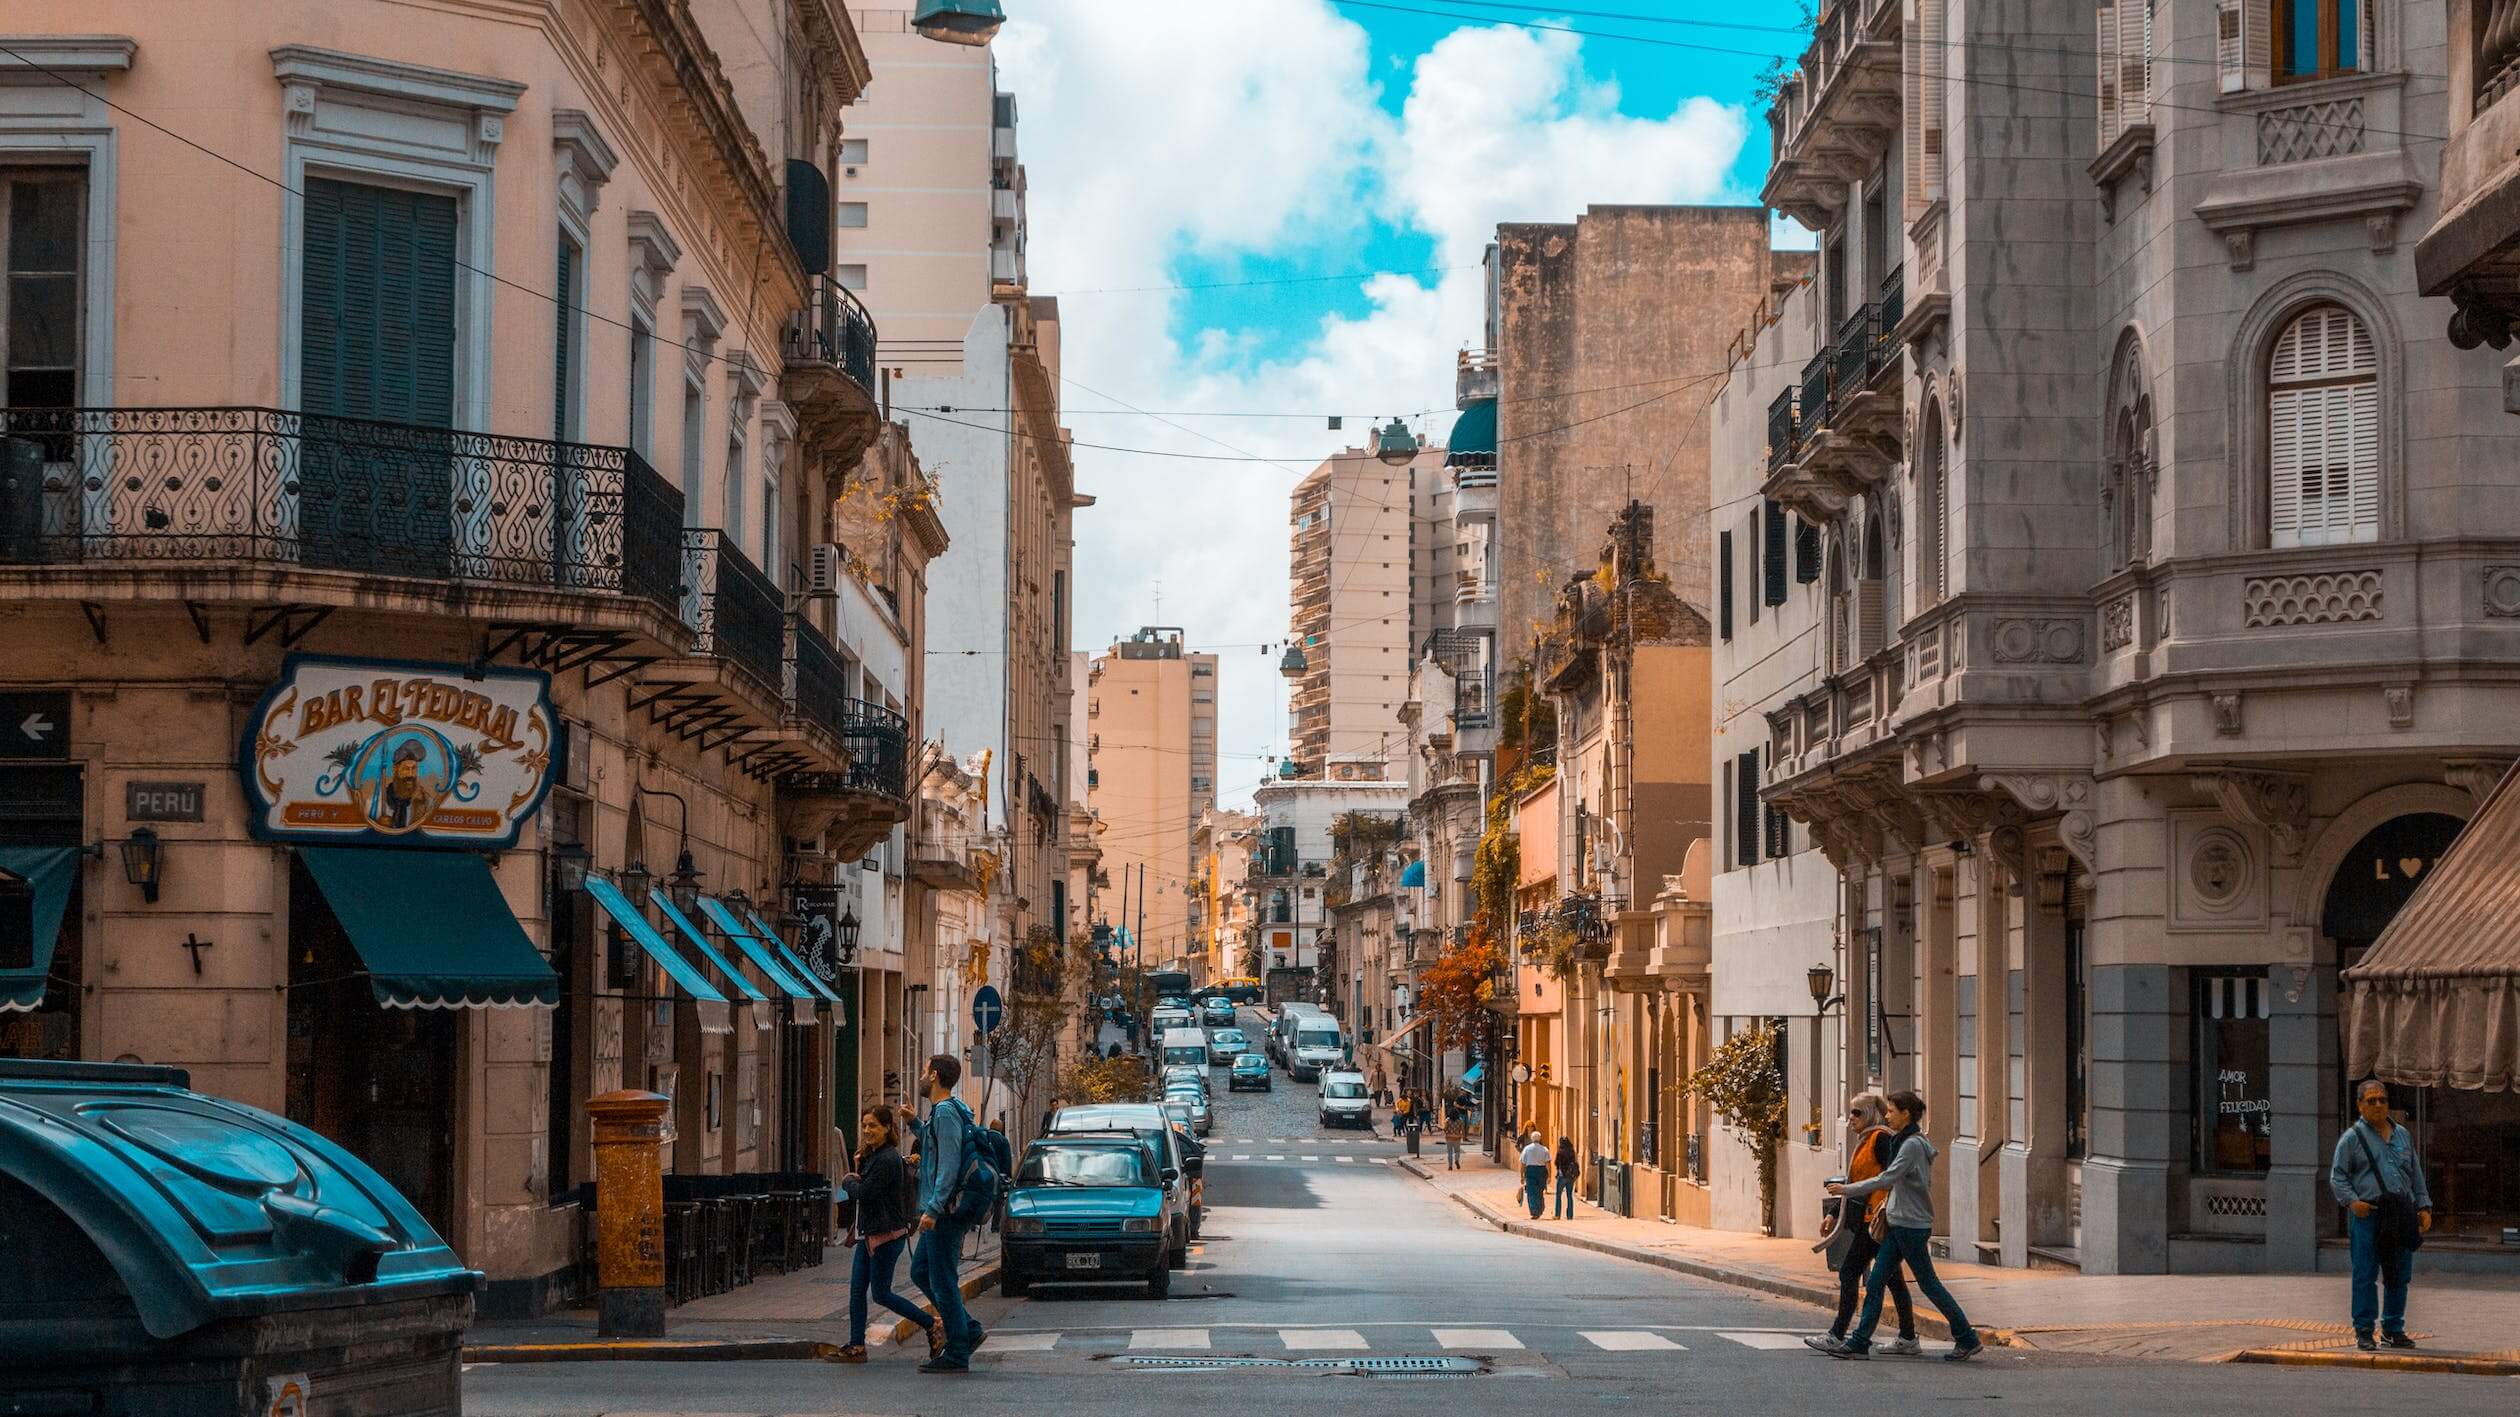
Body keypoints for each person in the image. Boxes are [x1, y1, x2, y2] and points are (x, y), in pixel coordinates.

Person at [1813, 1090, 1983, 1362]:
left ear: (1906, 1114)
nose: (1887, 1115)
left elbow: (1886, 1177)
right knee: (1878, 1281)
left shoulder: (1912, 1145)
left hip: (1911, 1226)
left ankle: (1966, 1337)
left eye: (1891, 1111)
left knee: (1928, 1284)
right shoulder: (1904, 1141)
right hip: (1899, 1224)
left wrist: (1846, 1190)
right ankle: (1861, 1341)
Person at [1807, 1094, 1919, 1356]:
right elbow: (1856, 1180)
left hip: (1877, 1221)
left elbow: (1889, 1178)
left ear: (1870, 1113)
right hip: (1871, 1220)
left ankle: (1838, 1334)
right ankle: (1908, 1336)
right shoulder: (1867, 1140)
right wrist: (1834, 1213)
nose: (1851, 1119)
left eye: (1856, 1113)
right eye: (1851, 1113)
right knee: (1893, 1279)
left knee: (1850, 1271)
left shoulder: (1881, 1139)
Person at [2330, 1077, 2433, 1351]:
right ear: (2359, 1105)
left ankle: (2393, 1328)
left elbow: (2415, 1173)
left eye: (2382, 1100)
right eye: (2371, 1100)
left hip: (2400, 1213)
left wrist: (2423, 1206)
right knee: (2365, 1272)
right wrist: (2353, 1202)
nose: (2378, 1105)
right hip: (2368, 1214)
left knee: (2399, 1272)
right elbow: (2338, 1176)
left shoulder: (2402, 1135)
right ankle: (2364, 1329)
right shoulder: (2352, 1139)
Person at [832, 1104, 935, 1364]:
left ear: (887, 1128)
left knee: (881, 1293)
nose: (867, 1130)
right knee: (857, 1292)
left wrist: (848, 1181)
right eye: (864, 1125)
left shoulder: (888, 1159)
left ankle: (931, 1324)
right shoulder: (875, 1155)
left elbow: (865, 1193)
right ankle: (856, 1345)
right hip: (869, 1235)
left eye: (873, 1126)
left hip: (887, 1237)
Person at [909, 1053, 987, 1373]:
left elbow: (949, 1164)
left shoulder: (945, 1112)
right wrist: (913, 1122)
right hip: (940, 1210)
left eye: (925, 1070)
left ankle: (957, 1352)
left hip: (944, 1213)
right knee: (921, 1273)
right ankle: (966, 1329)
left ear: (936, 1074)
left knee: (942, 1281)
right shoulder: (945, 1111)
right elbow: (935, 1147)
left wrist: (934, 1208)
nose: (921, 1076)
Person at [1519, 1131, 1550, 1218]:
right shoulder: (1544, 1149)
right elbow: (1548, 1163)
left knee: (1531, 1192)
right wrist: (1549, 1175)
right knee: (1540, 1191)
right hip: (1541, 1171)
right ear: (1540, 1139)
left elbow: (1522, 1163)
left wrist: (1521, 1175)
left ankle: (1534, 1211)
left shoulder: (1527, 1149)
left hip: (1530, 1170)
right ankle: (1540, 1208)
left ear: (1532, 1139)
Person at [1553, 1136, 1580, 1219]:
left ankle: (1557, 1214)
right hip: (1570, 1177)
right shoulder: (1572, 1151)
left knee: (1558, 1195)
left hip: (1562, 1176)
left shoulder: (1560, 1152)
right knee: (1569, 1196)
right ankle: (1570, 1215)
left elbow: (1556, 1163)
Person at [1444, 1104, 1468, 1171]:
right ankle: (1456, 1160)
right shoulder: (1460, 1120)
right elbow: (1462, 1129)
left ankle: (1450, 1166)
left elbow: (1445, 1129)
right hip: (1457, 1138)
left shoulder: (1448, 1120)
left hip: (1449, 1137)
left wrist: (1445, 1131)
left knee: (1449, 1153)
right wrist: (1463, 1136)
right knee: (1457, 1151)